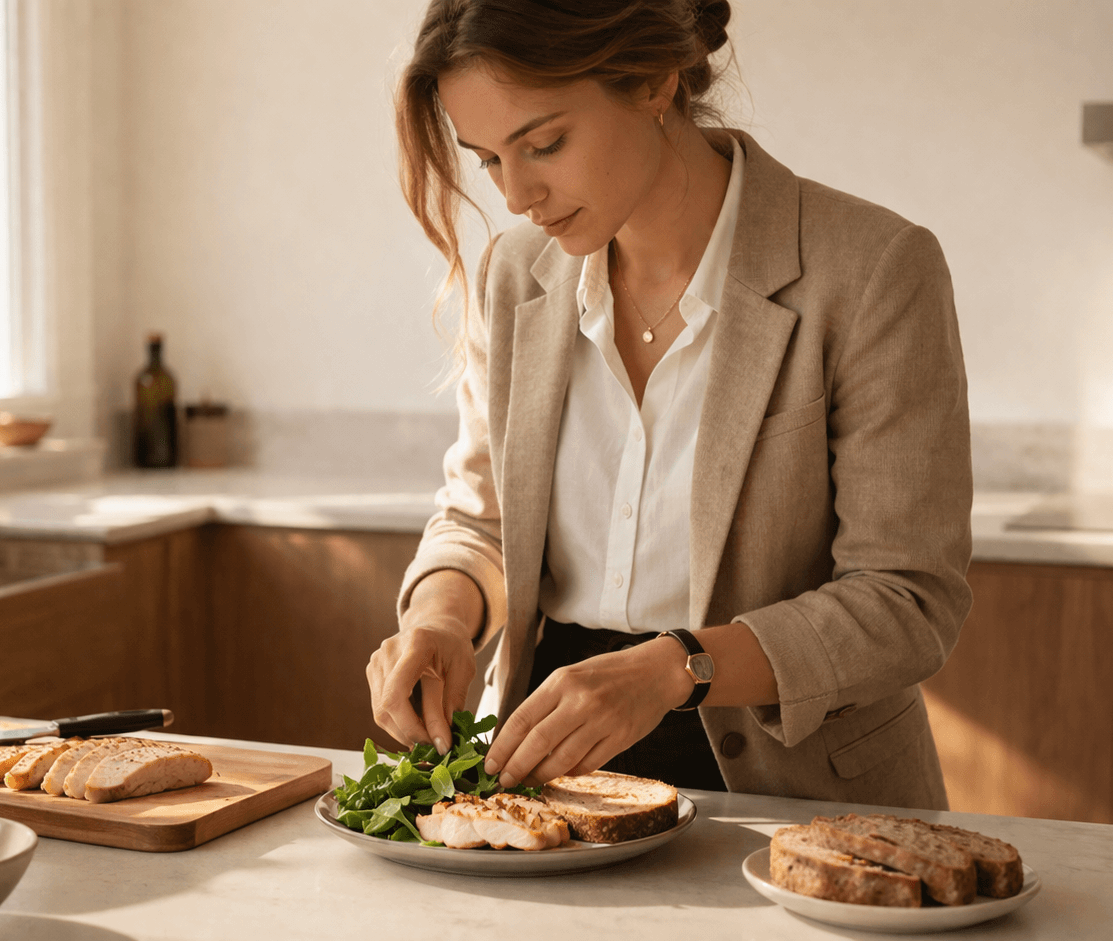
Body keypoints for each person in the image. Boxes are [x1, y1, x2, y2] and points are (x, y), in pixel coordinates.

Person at [366, 0, 972, 809]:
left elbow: (906, 599)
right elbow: (481, 519)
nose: (517, 195)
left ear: (654, 81)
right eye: (488, 161)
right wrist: (440, 619)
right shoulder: (515, 276)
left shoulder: (870, 270)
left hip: (795, 789)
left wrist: (676, 666)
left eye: (544, 144)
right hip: (546, 769)